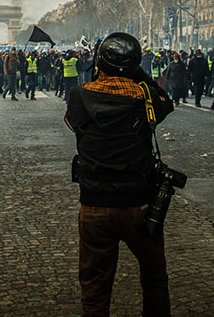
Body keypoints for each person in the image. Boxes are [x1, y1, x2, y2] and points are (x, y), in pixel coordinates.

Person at [64, 32, 174, 316]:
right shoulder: (147, 97)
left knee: (95, 290)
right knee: (155, 281)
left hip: (95, 203)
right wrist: (138, 73)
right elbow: (166, 100)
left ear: (99, 63)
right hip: (140, 203)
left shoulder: (79, 97)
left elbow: (72, 124)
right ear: (135, 64)